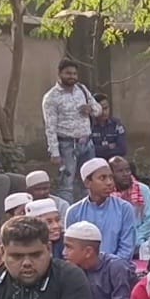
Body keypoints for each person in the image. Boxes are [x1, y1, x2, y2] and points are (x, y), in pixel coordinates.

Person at [41, 59, 100, 202]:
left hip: (87, 144)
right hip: (67, 146)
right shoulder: (51, 97)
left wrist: (90, 109)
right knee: (66, 186)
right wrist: (54, 153)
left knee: (89, 182)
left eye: (74, 74)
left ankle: (88, 211)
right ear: (59, 73)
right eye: (68, 73)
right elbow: (50, 127)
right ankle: (68, 213)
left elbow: (98, 110)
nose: (72, 76)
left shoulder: (82, 90)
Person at [64, 221, 137, 299]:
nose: (64, 253)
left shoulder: (116, 267)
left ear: (88, 252)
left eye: (69, 248)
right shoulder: (75, 269)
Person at [64, 158, 138, 261]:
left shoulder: (124, 209)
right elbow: (70, 249)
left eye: (111, 177)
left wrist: (106, 267)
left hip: (117, 267)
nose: (109, 182)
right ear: (87, 183)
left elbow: (126, 250)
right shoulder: (74, 212)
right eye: (102, 178)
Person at [108, 156, 150, 252]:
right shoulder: (107, 194)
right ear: (111, 174)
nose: (125, 174)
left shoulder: (143, 190)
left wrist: (135, 238)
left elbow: (149, 220)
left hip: (142, 239)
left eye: (127, 170)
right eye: (120, 171)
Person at [89, 93, 126, 159]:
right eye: (100, 109)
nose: (104, 112)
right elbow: (89, 151)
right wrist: (108, 147)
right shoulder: (88, 126)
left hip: (114, 161)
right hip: (95, 162)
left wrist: (100, 149)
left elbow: (122, 149)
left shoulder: (116, 124)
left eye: (106, 108)